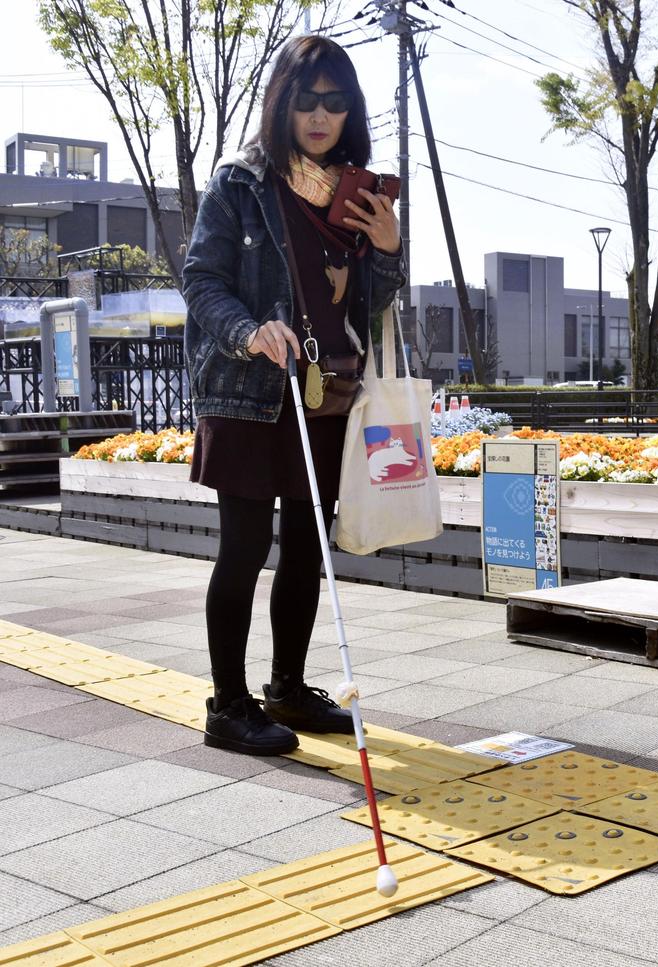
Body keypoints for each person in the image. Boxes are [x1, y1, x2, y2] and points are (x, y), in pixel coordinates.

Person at [183, 35, 405, 756]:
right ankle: (228, 704)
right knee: (244, 546)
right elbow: (201, 280)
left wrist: (389, 249)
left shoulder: (353, 192)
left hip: (325, 390)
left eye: (333, 103)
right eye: (306, 100)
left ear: (349, 111)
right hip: (250, 390)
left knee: (308, 548)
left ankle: (286, 686)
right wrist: (248, 331)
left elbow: (367, 306)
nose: (319, 115)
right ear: (282, 102)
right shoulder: (240, 182)